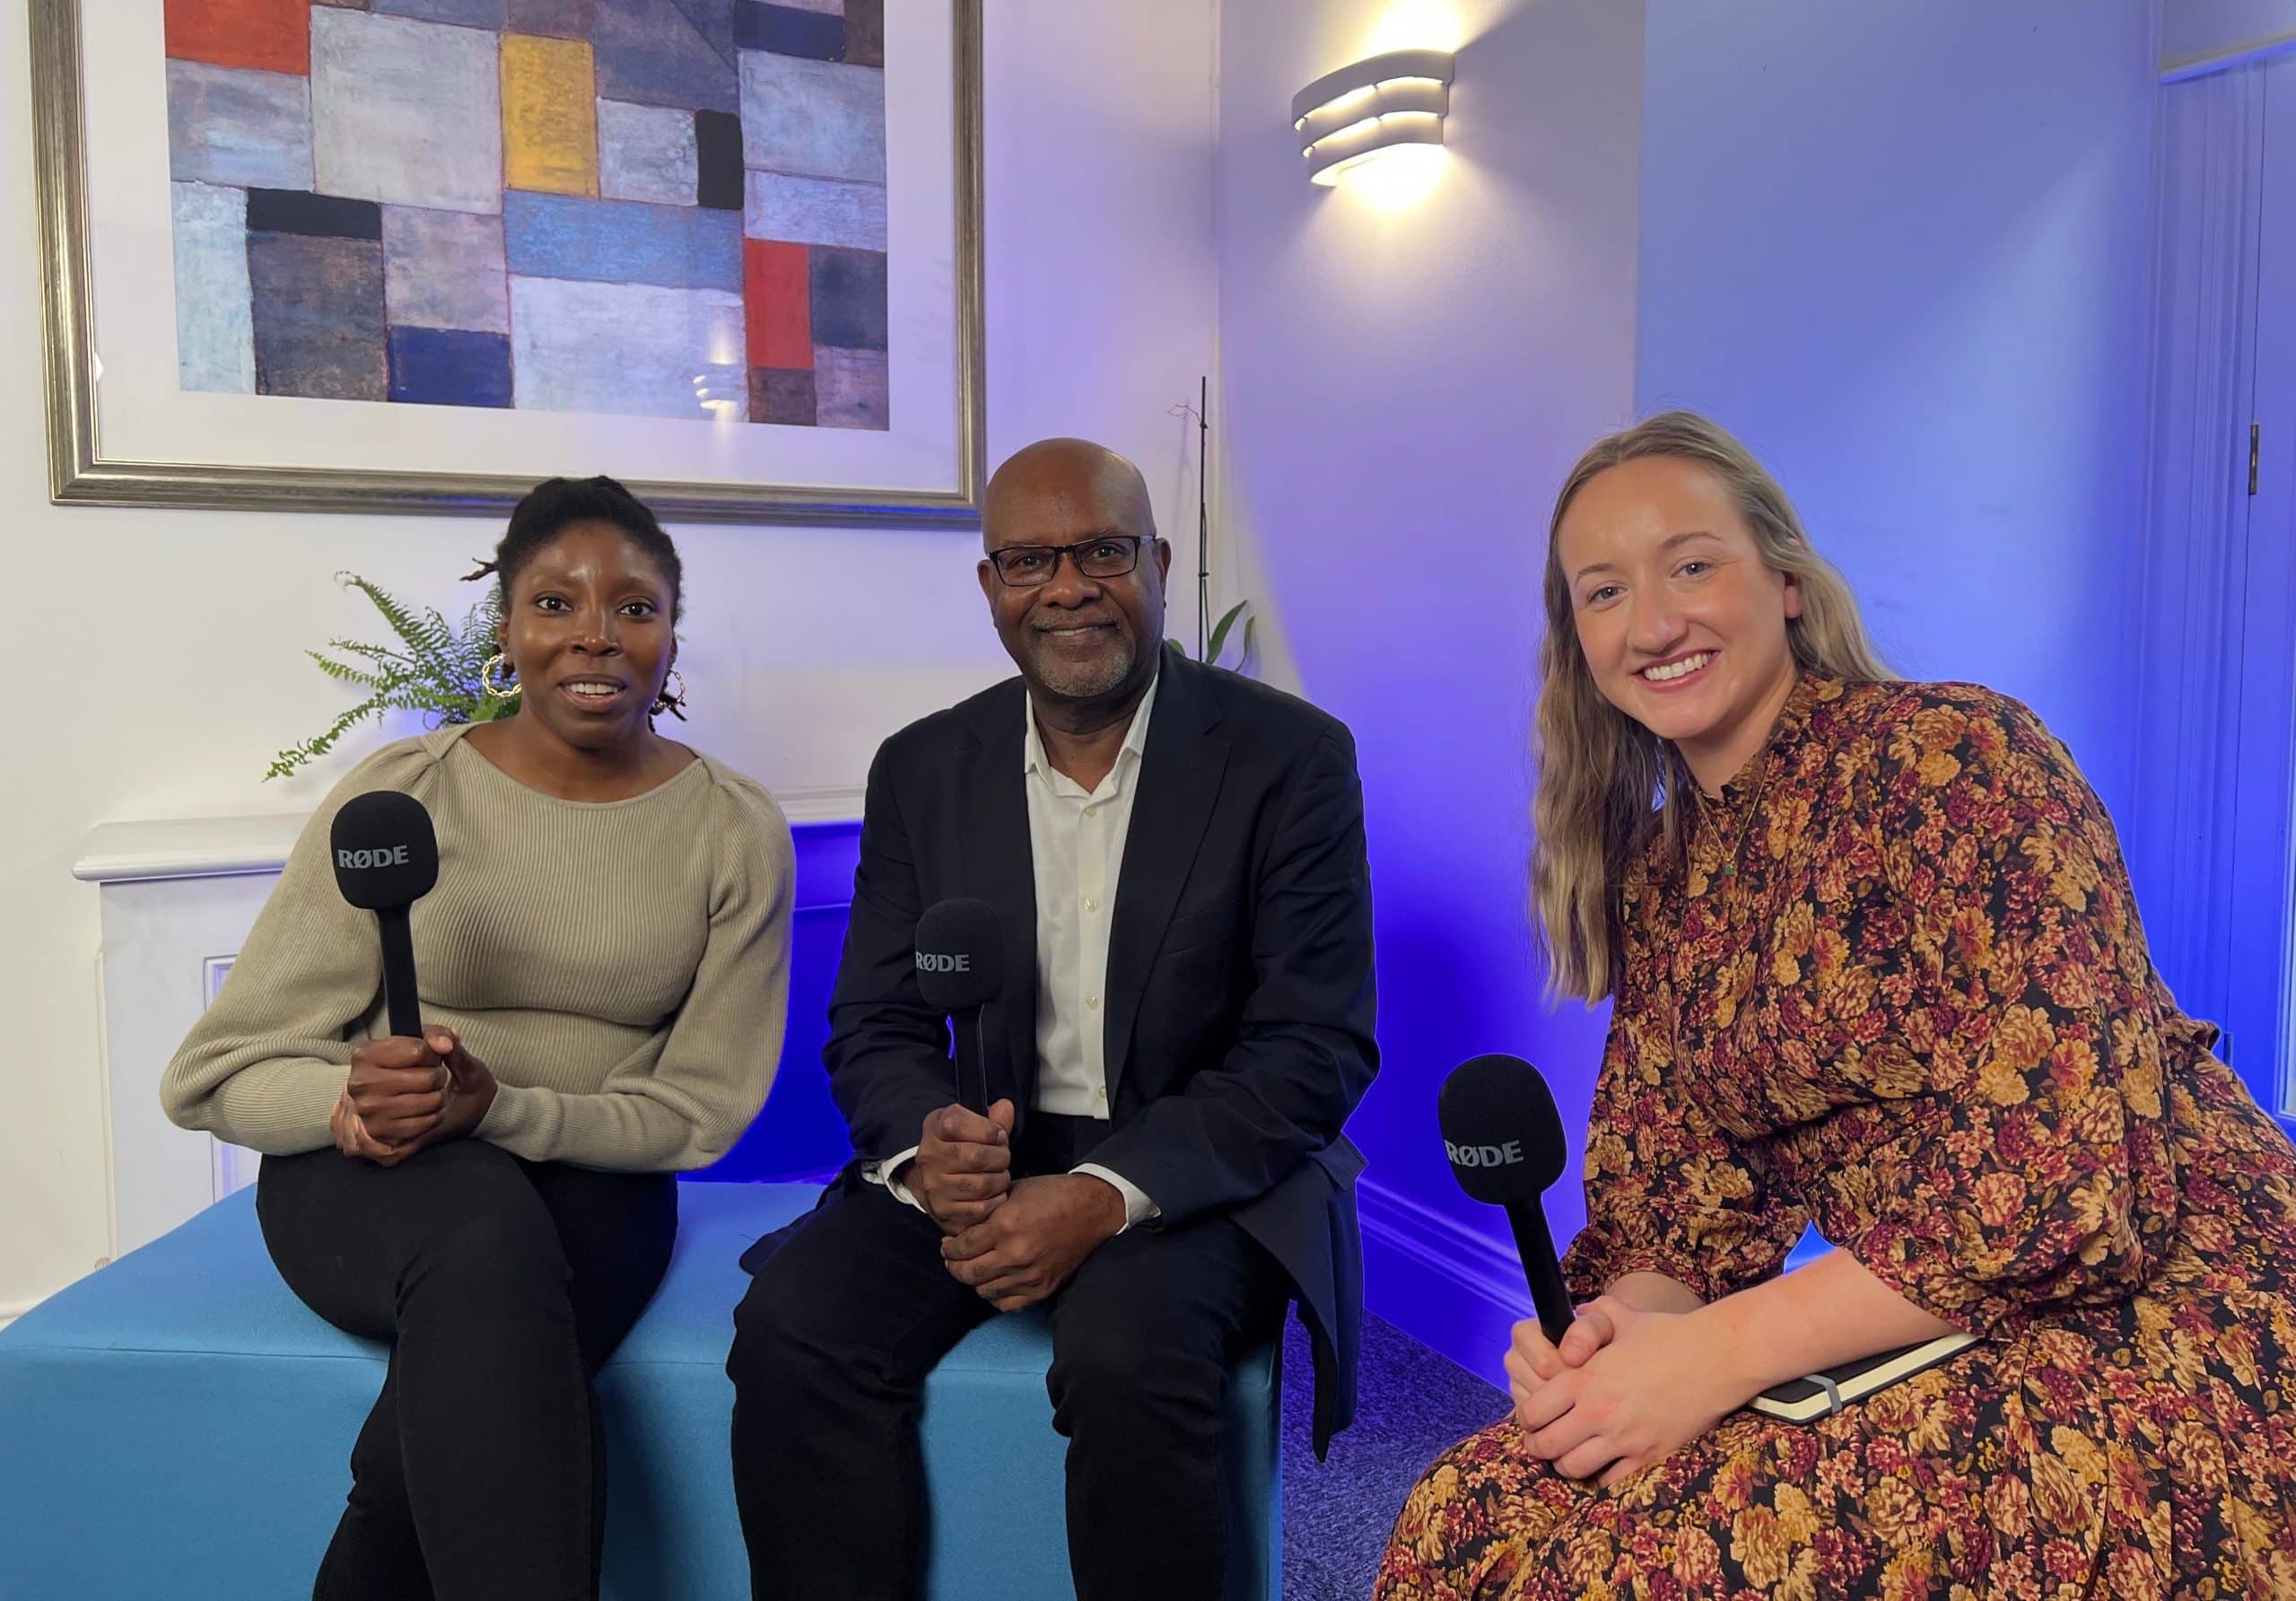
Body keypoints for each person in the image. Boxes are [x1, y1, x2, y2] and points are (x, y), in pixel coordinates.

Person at [1375, 413, 2296, 1598]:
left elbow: (2057, 1187)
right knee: (1473, 1502)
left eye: (1690, 565)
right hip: (1933, 1315)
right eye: (1602, 593)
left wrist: (1712, 1355)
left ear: (1787, 585)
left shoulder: (1957, 758)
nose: (1651, 622)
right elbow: (1678, 1216)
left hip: (2168, 1311)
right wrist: (1611, 1338)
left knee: (1665, 1556)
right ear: (1577, 644)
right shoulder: (1663, 877)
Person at [726, 437, 1378, 1601]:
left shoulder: (1290, 761)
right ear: (989, 587)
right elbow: (872, 1021)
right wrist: (930, 1146)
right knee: (793, 1329)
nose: (1066, 586)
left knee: (1129, 1357)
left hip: (1186, 1157)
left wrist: (1098, 1197)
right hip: (978, 1147)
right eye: (1028, 559)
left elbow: (1311, 1046)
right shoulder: (921, 769)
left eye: (1102, 551)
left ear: (1159, 564)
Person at [162, 476, 795, 1601]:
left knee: (472, 1300)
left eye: (635, 607)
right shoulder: (409, 794)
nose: (596, 634)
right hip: (368, 1183)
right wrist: (347, 1104)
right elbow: (215, 1071)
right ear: (505, 631)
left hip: (595, 1182)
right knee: (482, 1219)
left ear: (669, 637)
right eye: (556, 604)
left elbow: (703, 1110)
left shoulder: (733, 831)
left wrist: (503, 1107)